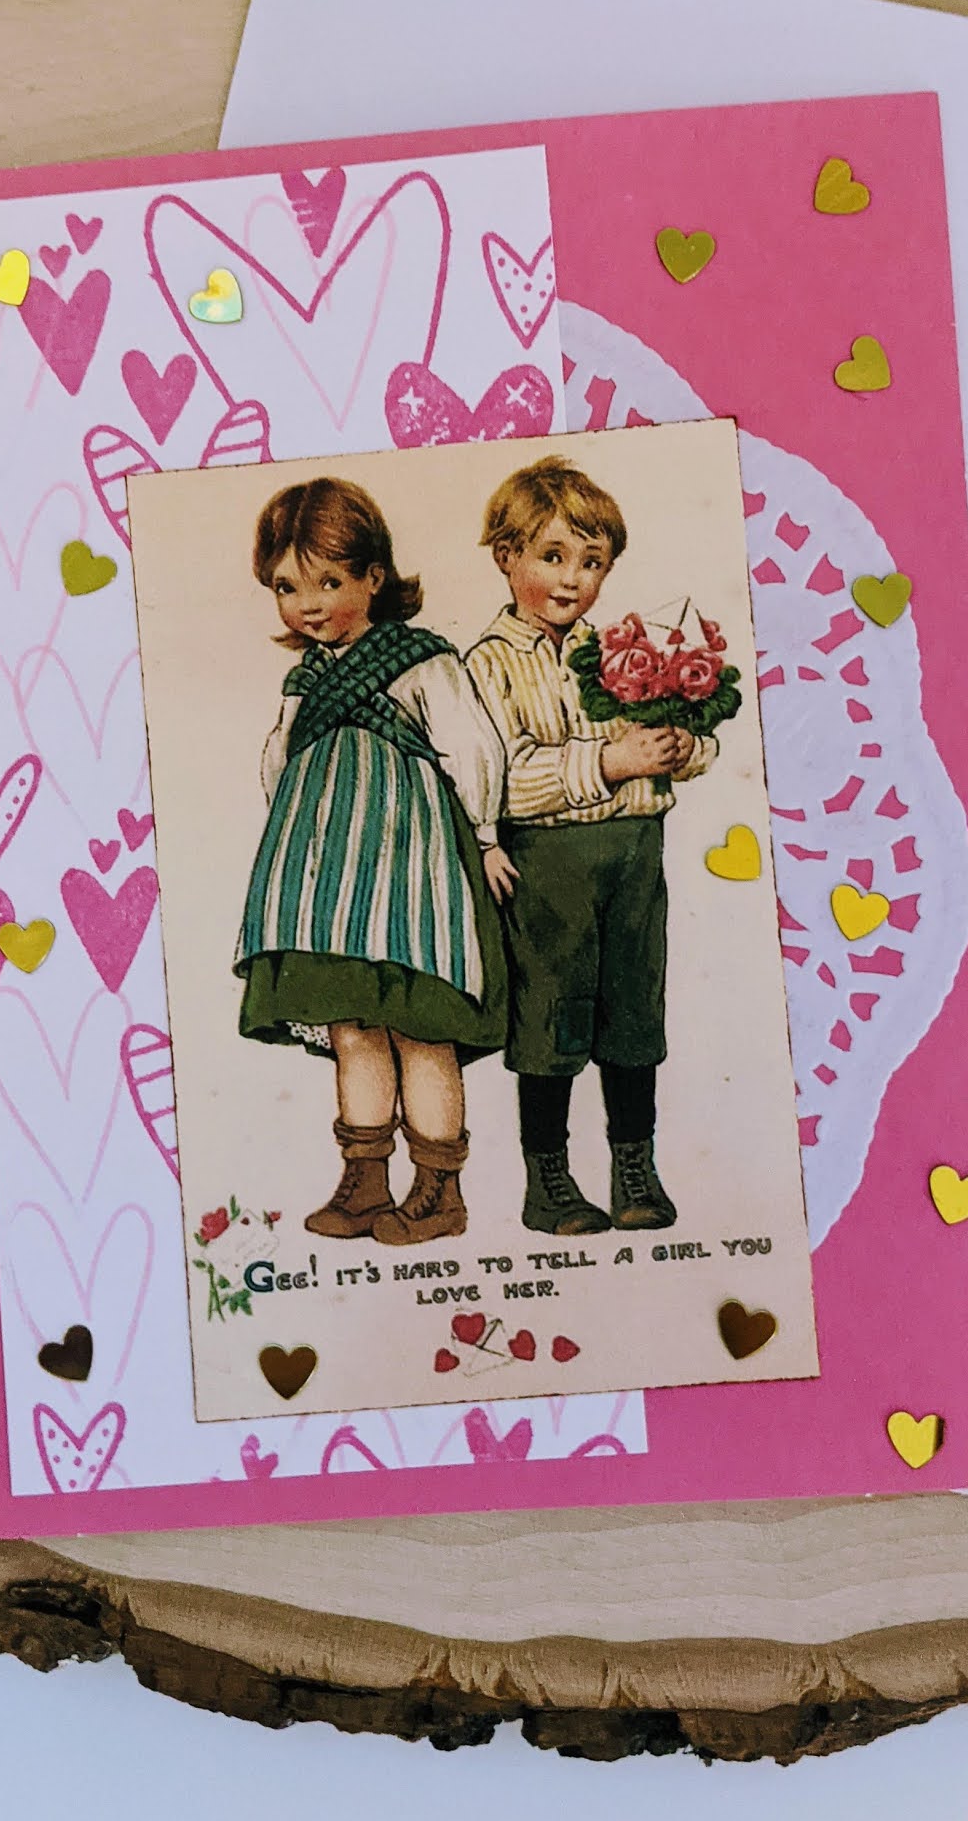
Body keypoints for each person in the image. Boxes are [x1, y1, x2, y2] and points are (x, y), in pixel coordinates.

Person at [237, 476, 507, 1247]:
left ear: (374, 577)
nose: (308, 604)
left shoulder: (421, 661)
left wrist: (486, 836)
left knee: (420, 1028)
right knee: (351, 1030)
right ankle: (364, 1181)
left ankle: (438, 1190)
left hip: (411, 871)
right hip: (326, 884)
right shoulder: (304, 680)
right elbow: (280, 765)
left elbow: (470, 748)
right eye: (287, 587)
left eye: (329, 582)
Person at [465, 455, 714, 1236]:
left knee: (633, 1015)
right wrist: (609, 762)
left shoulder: (616, 650)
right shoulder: (486, 665)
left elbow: (685, 733)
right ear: (506, 556)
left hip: (636, 854)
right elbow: (499, 781)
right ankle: (548, 1181)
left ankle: (634, 1169)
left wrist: (681, 745)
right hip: (548, 865)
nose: (572, 578)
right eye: (552, 556)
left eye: (592, 562)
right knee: (552, 1019)